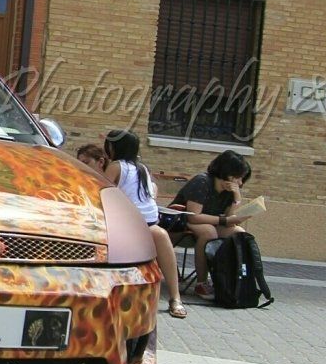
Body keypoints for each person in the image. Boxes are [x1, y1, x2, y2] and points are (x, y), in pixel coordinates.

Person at [96, 129, 187, 318]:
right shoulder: (142, 168)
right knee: (162, 238)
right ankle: (175, 297)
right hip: (149, 222)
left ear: (111, 147)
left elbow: (102, 190)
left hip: (128, 224)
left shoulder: (116, 166)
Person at [164, 150, 252, 299]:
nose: (240, 183)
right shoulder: (202, 181)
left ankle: (231, 280)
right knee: (209, 231)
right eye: (238, 177)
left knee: (239, 233)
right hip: (181, 223)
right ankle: (201, 283)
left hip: (210, 223)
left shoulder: (229, 190)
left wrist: (237, 199)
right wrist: (225, 221)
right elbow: (194, 217)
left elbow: (229, 220)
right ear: (227, 172)